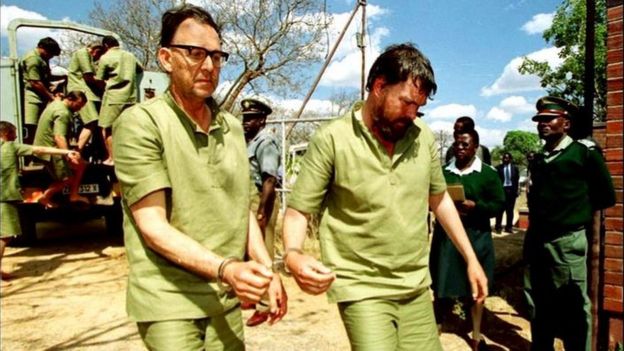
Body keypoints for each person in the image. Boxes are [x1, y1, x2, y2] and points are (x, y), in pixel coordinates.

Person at [282, 43, 488, 350]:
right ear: (379, 86)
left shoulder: (422, 137)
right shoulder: (332, 140)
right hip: (361, 286)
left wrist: (470, 258)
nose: (412, 115)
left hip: (416, 285)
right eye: (405, 103)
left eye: (418, 107)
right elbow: (299, 210)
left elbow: (440, 200)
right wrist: (293, 253)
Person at [112, 5, 287, 350]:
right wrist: (227, 269)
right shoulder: (140, 123)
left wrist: (267, 269)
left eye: (217, 56)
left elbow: (241, 209)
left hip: (225, 296)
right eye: (194, 53)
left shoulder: (232, 128)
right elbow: (153, 226)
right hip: (169, 299)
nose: (208, 66)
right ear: (165, 58)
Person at [524, 96, 616, 351]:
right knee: (537, 301)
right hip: (536, 240)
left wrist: (573, 214)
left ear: (566, 123)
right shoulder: (540, 158)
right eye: (539, 120)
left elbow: (606, 196)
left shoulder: (583, 154)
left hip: (566, 242)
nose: (542, 124)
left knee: (572, 306)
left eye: (549, 119)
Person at [430, 129, 504, 350]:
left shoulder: (488, 174)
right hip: (446, 240)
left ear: (475, 148)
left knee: (475, 287)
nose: (459, 148)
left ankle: (476, 331)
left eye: (465, 144)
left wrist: (476, 207)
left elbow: (499, 204)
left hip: (476, 238)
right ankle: (437, 324)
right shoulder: (443, 172)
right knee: (441, 282)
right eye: (457, 144)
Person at [1, 121, 81, 280]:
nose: (16, 136)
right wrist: (66, 152)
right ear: (7, 133)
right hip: (5, 196)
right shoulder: (11, 147)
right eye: (14, 133)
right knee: (4, 235)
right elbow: (40, 149)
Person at [241, 97, 281, 327]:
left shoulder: (266, 142)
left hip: (261, 201)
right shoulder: (249, 141)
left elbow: (269, 180)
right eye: (245, 118)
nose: (246, 122)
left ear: (262, 120)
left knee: (264, 253)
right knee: (250, 253)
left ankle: (266, 305)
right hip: (249, 201)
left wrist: (262, 213)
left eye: (252, 118)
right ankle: (254, 297)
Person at [33, 90, 89, 208]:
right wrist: (68, 155)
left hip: (45, 148)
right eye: (78, 105)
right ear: (70, 99)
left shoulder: (56, 104)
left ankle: (74, 195)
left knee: (81, 165)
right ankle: (45, 197)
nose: (79, 109)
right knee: (67, 179)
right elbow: (59, 137)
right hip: (51, 151)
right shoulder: (63, 113)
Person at [96, 35, 143, 166]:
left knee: (107, 128)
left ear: (105, 46)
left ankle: (112, 158)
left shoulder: (105, 58)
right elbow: (140, 69)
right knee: (128, 129)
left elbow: (99, 79)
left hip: (113, 98)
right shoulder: (130, 56)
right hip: (131, 97)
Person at [20, 37, 62, 145]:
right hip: (31, 97)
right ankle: (29, 156)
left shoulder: (42, 59)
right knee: (31, 127)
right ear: (42, 47)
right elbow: (35, 82)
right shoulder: (33, 59)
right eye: (50, 53)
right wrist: (51, 97)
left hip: (40, 97)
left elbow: (45, 78)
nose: (50, 56)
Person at [66, 42, 105, 154]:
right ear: (95, 50)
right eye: (98, 54)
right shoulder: (83, 53)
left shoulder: (89, 58)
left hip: (88, 93)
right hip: (81, 91)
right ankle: (76, 153)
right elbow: (88, 77)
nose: (98, 57)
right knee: (91, 121)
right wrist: (105, 84)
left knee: (95, 123)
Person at [494, 152, 520, 233]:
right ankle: (498, 227)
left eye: (507, 158)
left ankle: (509, 227)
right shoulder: (498, 168)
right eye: (504, 158)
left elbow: (516, 180)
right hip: (502, 191)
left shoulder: (515, 168)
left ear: (510, 159)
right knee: (500, 210)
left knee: (510, 211)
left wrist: (516, 191)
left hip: (511, 192)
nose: (505, 159)